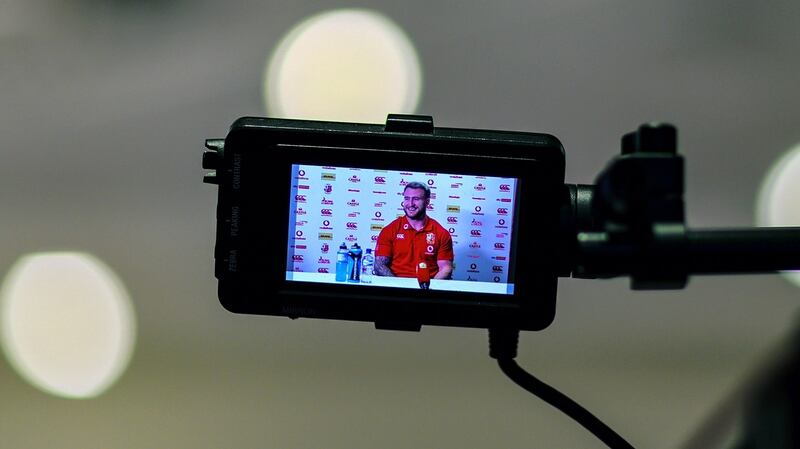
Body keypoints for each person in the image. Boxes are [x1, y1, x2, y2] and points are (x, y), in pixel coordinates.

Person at [374, 181, 454, 279]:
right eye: (407, 198)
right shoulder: (389, 230)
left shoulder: (441, 233)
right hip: (396, 287)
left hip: (428, 288)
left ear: (427, 202)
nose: (410, 204)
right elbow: (379, 265)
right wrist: (398, 287)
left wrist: (429, 290)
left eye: (416, 199)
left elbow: (445, 268)